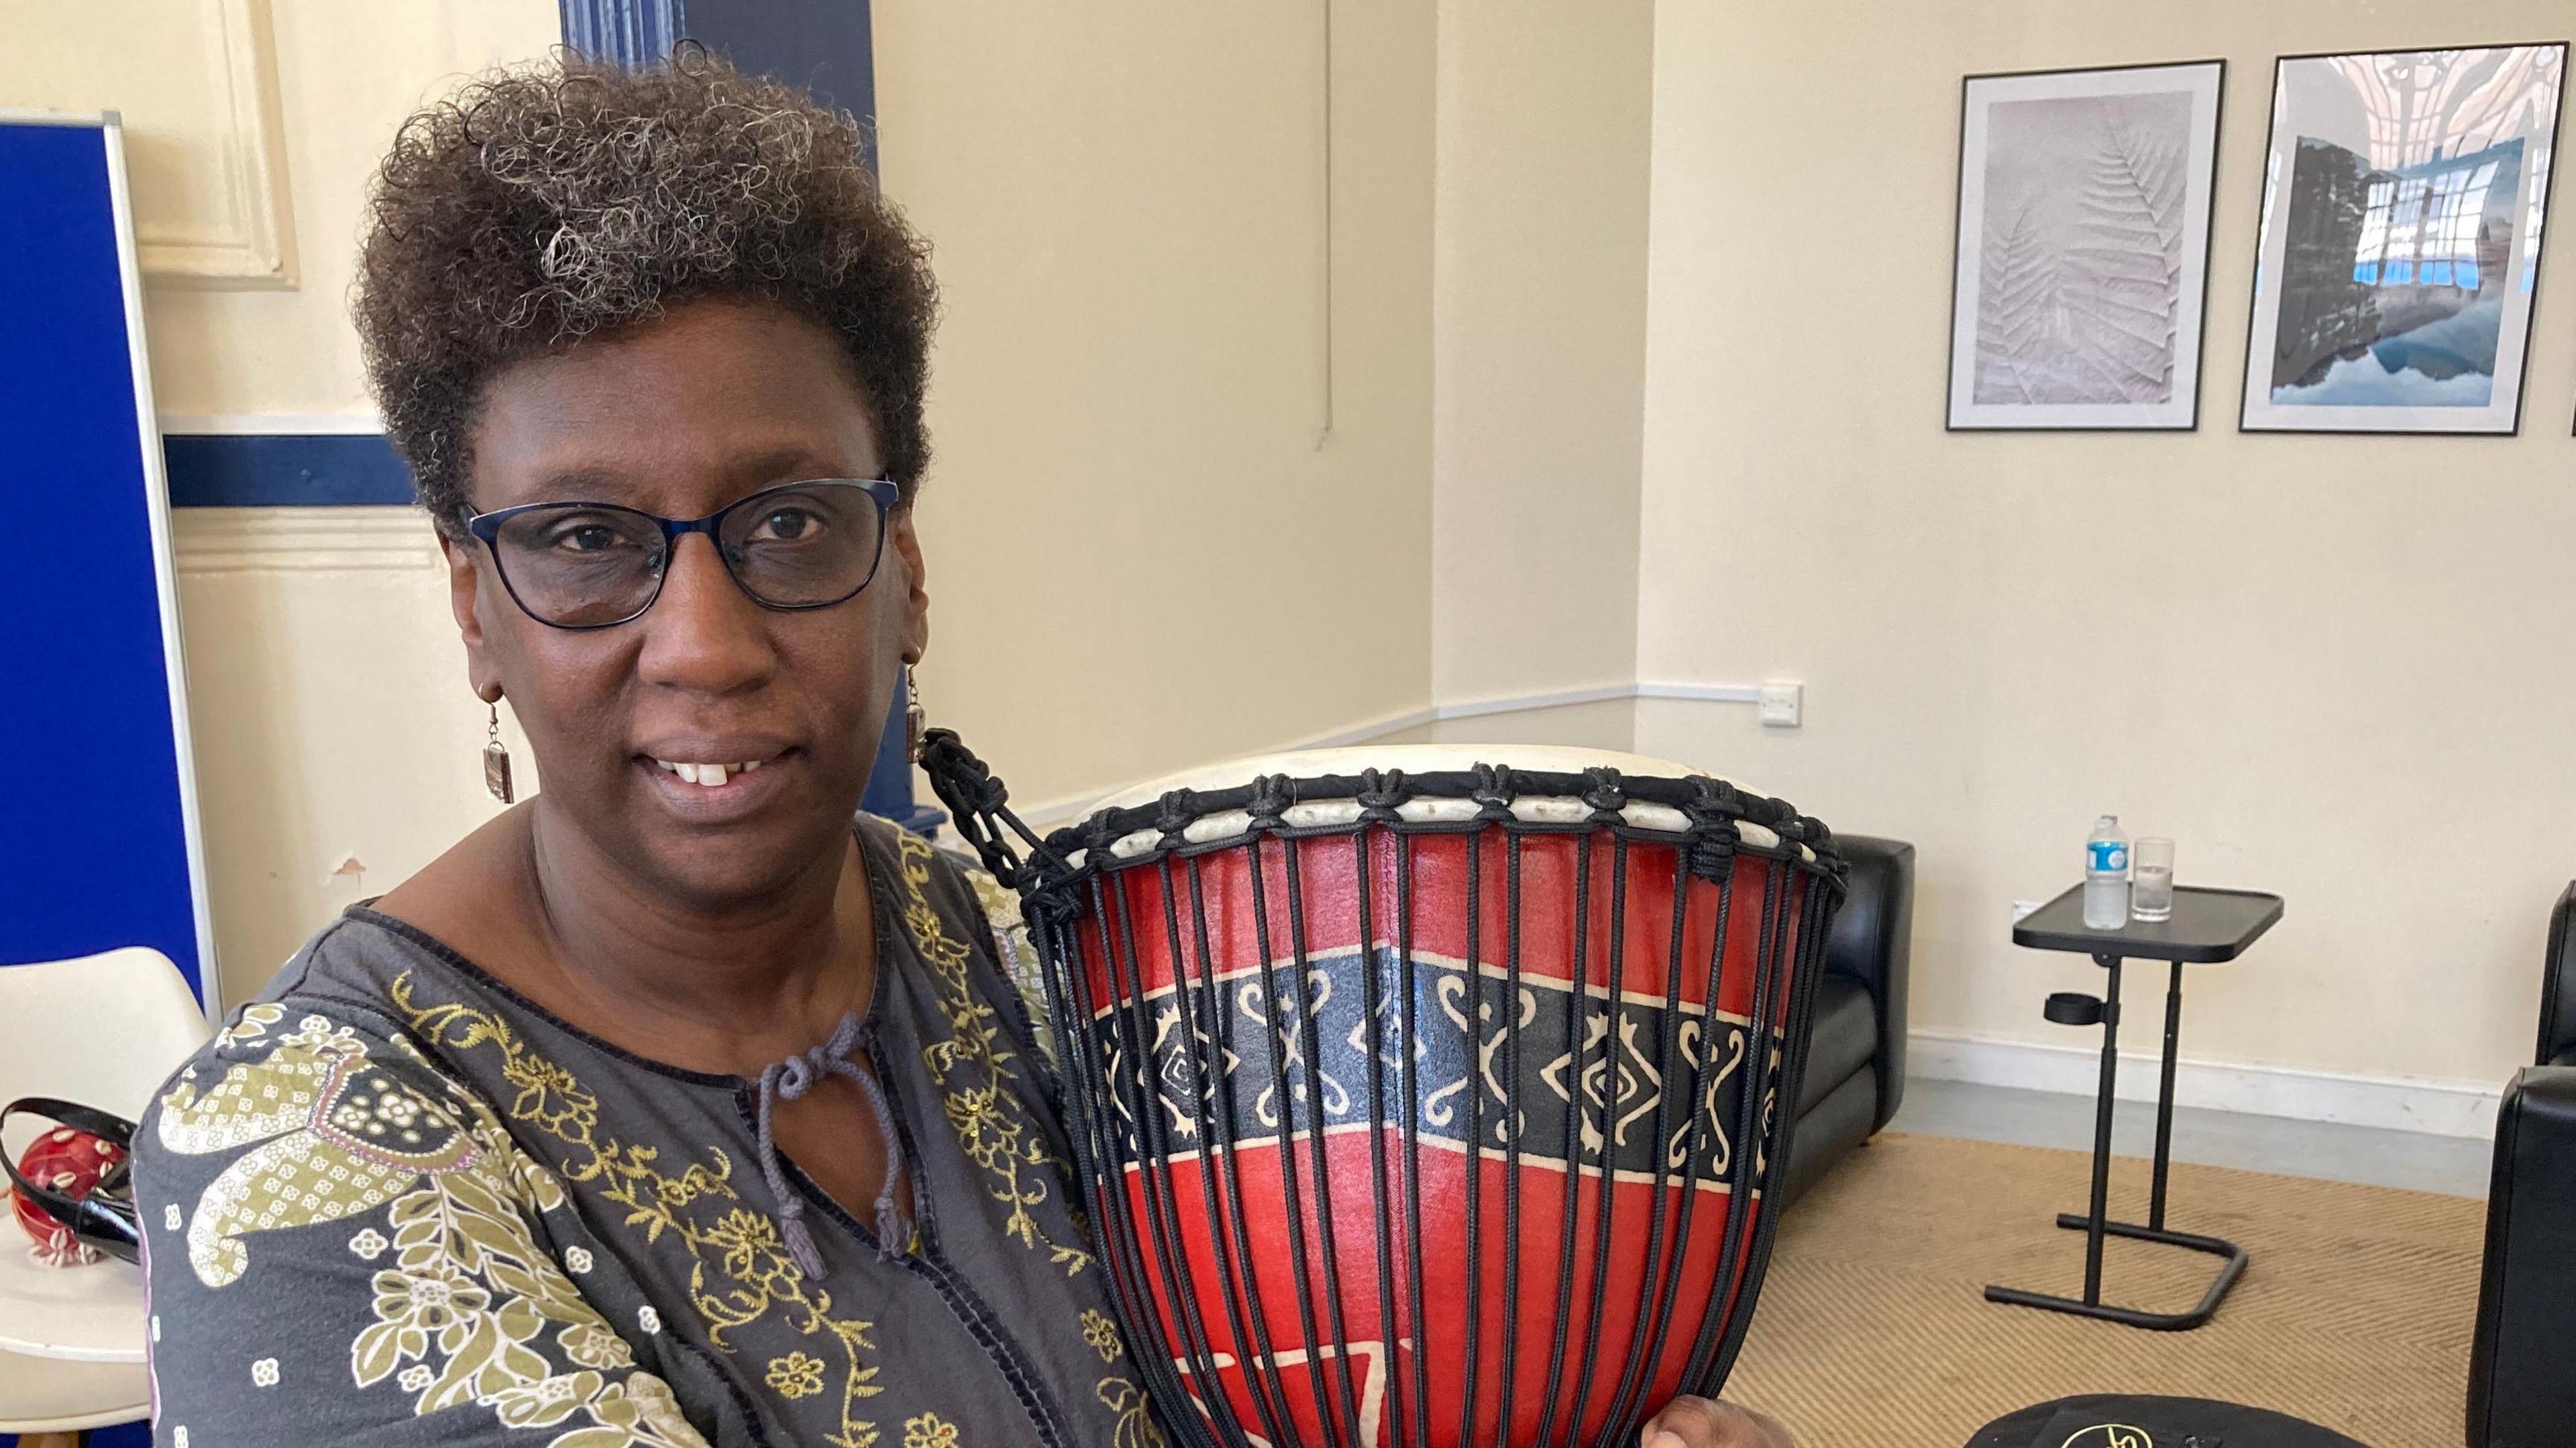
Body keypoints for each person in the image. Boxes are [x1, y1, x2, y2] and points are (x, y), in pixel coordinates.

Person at [130, 48, 1794, 1448]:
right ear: (477, 615)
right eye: (582, 539)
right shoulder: (297, 1170)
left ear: (906, 576)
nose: (704, 640)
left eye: (788, 522)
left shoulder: (1031, 955)